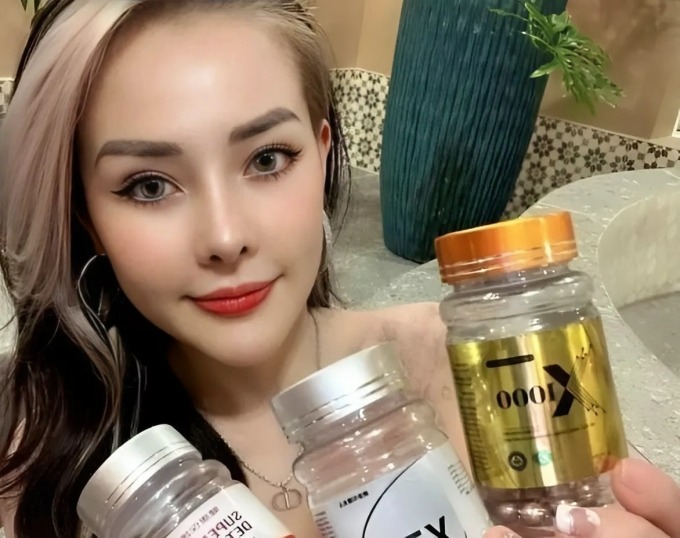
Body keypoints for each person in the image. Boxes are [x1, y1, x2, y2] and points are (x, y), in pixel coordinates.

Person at [0, 1, 678, 537]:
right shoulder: (35, 447)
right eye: (149, 185)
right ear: (85, 214)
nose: (226, 238)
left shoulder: (476, 369)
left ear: (323, 156)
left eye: (267, 159)